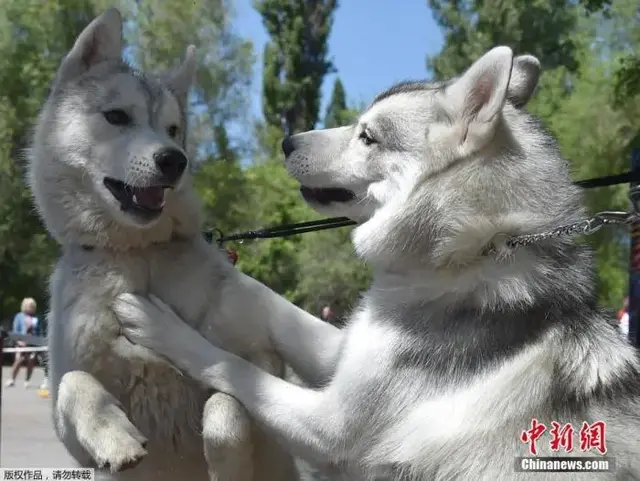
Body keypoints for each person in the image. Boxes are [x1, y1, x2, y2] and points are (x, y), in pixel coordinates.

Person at [6, 298, 39, 388]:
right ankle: (12, 379)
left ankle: (27, 380)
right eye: (29, 306)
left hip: (32, 343)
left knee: (31, 361)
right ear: (24, 307)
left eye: (32, 307)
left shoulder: (36, 317)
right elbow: (16, 330)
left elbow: (38, 330)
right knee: (19, 359)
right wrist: (19, 341)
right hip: (21, 342)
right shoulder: (19, 316)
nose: (31, 308)